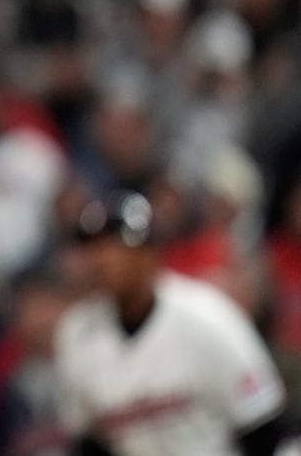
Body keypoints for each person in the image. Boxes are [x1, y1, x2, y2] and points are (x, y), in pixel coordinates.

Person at [53, 189, 292, 456]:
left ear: (151, 252)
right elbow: (91, 442)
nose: (102, 259)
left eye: (115, 245)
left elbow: (265, 428)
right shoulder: (76, 333)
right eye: (94, 247)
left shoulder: (208, 318)